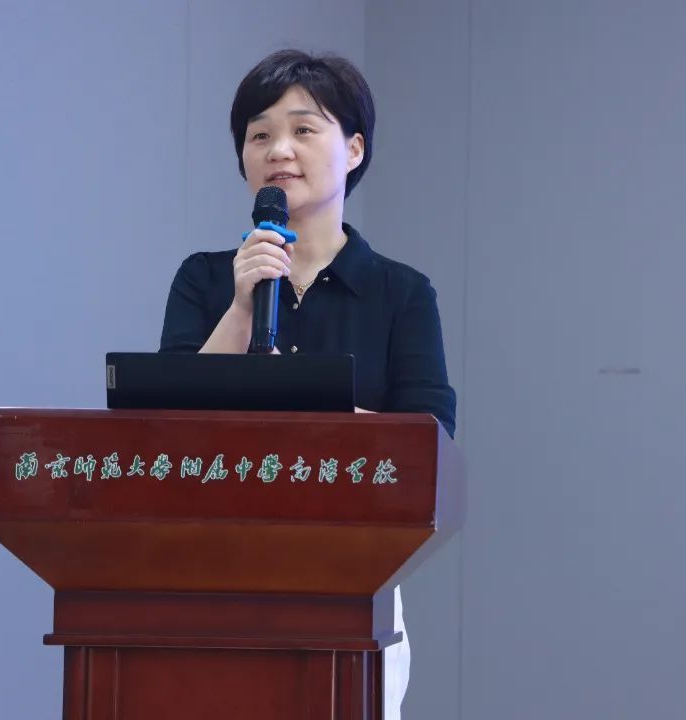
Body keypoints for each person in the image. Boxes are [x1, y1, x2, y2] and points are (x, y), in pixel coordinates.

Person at [159, 48, 456, 718]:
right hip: (209, 570)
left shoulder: (401, 293)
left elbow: (429, 440)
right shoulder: (205, 279)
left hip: (352, 574)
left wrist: (309, 417)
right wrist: (241, 308)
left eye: (302, 129)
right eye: (259, 134)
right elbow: (165, 426)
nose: (278, 150)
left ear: (353, 149)